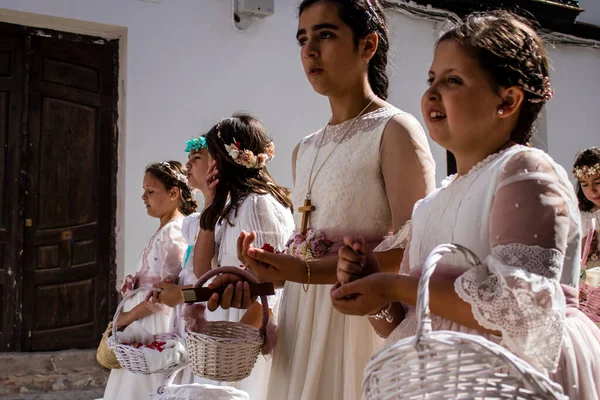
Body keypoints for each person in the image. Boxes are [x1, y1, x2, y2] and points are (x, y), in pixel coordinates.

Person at [331, 11, 600, 399]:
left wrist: (396, 284)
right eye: (431, 80)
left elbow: (522, 314)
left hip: (509, 377)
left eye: (453, 80)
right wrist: (375, 292)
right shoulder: (430, 204)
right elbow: (403, 325)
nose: (432, 93)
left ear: (507, 100)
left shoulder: (524, 171)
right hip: (439, 381)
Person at [234, 1, 436, 399]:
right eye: (303, 39)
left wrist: (305, 269)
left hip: (360, 321)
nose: (310, 50)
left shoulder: (395, 131)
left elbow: (417, 249)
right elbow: (303, 250)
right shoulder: (304, 149)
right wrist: (268, 269)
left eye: (325, 35)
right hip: (302, 323)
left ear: (368, 45)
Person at [156, 114, 295, 399]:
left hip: (246, 326)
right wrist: (211, 201)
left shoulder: (258, 205)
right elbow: (203, 268)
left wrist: (240, 339)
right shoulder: (230, 206)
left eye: (214, 155)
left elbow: (275, 284)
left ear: (228, 160)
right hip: (226, 321)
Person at [103, 161, 196, 400]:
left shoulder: (174, 234)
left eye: (150, 191)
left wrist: (125, 318)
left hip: (154, 327)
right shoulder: (165, 230)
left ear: (173, 193)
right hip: (145, 322)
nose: (143, 196)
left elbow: (166, 297)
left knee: (144, 389)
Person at [573, 147, 600, 268]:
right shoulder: (579, 216)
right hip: (588, 282)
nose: (592, 190)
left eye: (598, 182)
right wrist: (582, 248)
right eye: (585, 185)